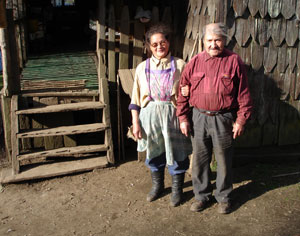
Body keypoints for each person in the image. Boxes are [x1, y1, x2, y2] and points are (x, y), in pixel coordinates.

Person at [176, 23, 253, 214]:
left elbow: (244, 94)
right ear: (203, 42)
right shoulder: (194, 62)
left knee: (223, 160)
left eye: (217, 40)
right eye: (209, 40)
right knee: (200, 160)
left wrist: (241, 120)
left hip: (223, 118)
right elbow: (182, 92)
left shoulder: (234, 61)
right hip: (198, 117)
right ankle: (201, 196)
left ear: (225, 40)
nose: (213, 44)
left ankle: (224, 197)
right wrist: (183, 118)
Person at [129, 23, 192, 207]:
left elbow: (189, 93)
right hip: (149, 116)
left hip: (173, 115)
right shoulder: (142, 67)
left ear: (168, 42)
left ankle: (177, 190)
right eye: (154, 44)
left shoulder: (180, 65)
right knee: (155, 153)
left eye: (162, 42)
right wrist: (136, 123)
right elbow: (135, 99)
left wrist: (188, 92)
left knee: (177, 153)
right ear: (149, 46)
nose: (159, 47)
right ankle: (157, 187)